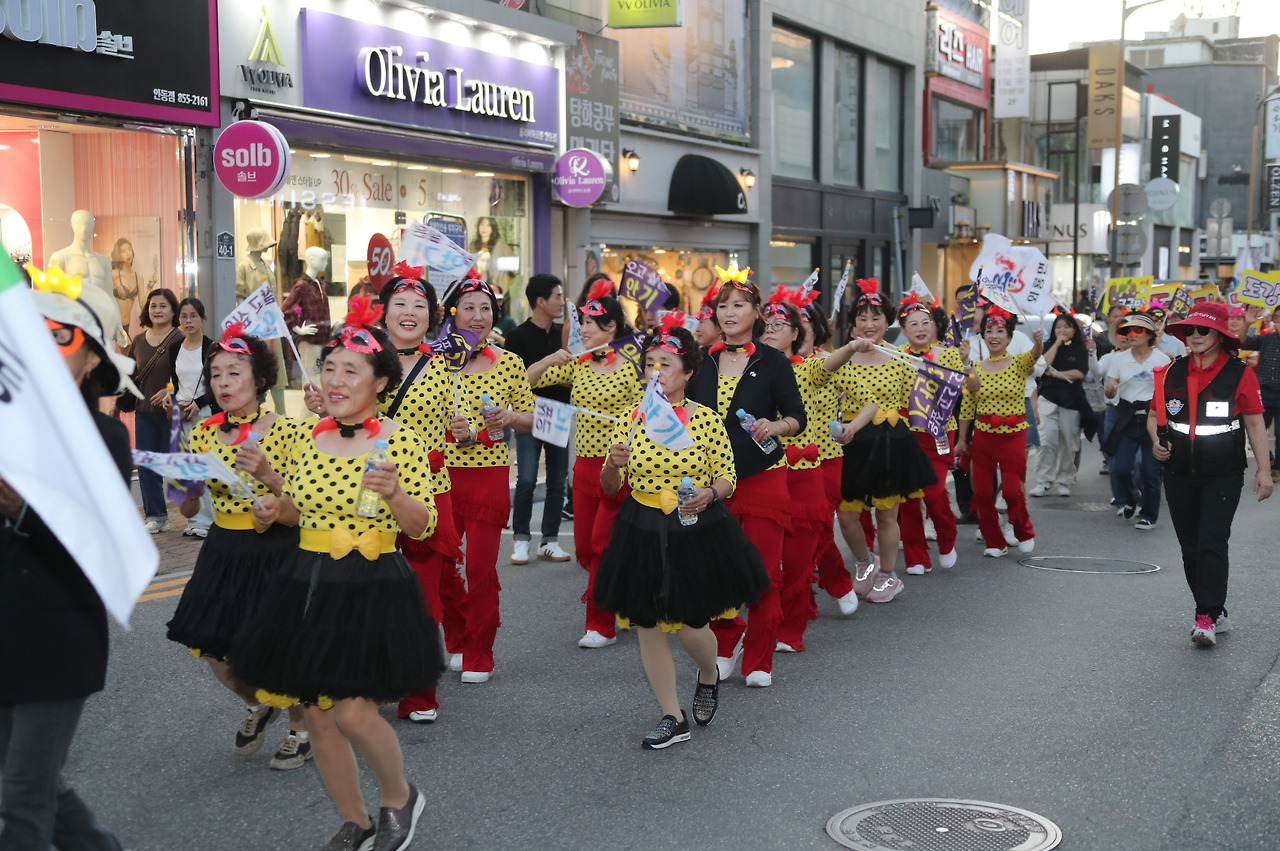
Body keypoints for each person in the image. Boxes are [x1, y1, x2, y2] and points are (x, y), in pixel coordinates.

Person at [230, 299, 441, 851]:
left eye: (352, 369)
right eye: (329, 367)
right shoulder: (309, 436)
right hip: (307, 581)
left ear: (379, 382)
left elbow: (422, 525)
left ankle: (399, 796)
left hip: (371, 583)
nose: (336, 379)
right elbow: (297, 508)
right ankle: (355, 820)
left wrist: (395, 494)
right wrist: (273, 509)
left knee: (351, 710)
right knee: (318, 714)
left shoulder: (400, 439)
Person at [1, 273, 141, 851]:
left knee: (21, 797)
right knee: (31, 786)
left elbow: (104, 541)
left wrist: (23, 511)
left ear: (90, 362)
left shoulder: (103, 436)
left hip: (57, 637)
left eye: (59, 338)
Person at [593, 325, 769, 748]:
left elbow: (727, 477)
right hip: (642, 525)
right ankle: (672, 716)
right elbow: (610, 486)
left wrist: (710, 494)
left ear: (688, 372)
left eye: (666, 364)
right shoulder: (632, 417)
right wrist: (613, 464)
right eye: (650, 363)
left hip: (694, 526)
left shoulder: (705, 419)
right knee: (648, 623)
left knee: (692, 626)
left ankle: (708, 672)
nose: (656, 371)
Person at [165, 326, 313, 769]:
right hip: (223, 547)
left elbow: (305, 507)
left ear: (260, 379)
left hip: (277, 548)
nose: (223, 382)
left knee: (280, 647)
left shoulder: (290, 432)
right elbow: (189, 508)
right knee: (210, 643)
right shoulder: (203, 434)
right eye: (216, 374)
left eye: (234, 372)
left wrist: (267, 476)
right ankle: (257, 705)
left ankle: (301, 730)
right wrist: (187, 493)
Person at [685, 263, 806, 688]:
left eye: (739, 305)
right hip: (712, 482)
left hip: (761, 477)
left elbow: (798, 417)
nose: (730, 312)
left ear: (757, 312)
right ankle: (726, 642)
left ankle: (759, 657)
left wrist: (777, 426)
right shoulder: (700, 361)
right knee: (715, 570)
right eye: (723, 306)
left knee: (762, 570)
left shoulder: (774, 362)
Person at [527, 281, 643, 649]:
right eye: (582, 322)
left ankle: (600, 625)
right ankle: (622, 594)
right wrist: (550, 359)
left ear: (611, 326)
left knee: (601, 546)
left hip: (617, 470)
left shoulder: (632, 367)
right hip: (583, 469)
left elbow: (649, 413)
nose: (583, 328)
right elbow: (523, 382)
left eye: (590, 323)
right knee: (584, 550)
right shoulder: (578, 363)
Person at [1150, 301, 1273, 647]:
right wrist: (1156, 443)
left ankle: (1205, 615)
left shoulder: (1239, 373)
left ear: (1219, 335)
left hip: (1223, 474)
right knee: (1190, 548)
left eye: (1203, 330)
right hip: (1178, 473)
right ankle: (1213, 610)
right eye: (1190, 329)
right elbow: (1154, 416)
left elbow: (1255, 423)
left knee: (1211, 543)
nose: (1195, 335)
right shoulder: (1170, 371)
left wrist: (1264, 471)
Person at [377, 266, 467, 724]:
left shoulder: (447, 363)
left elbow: (463, 425)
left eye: (419, 305)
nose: (409, 312)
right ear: (384, 313)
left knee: (423, 594)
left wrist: (465, 431)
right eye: (400, 304)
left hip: (431, 489)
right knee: (371, 590)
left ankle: (420, 693)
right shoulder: (365, 359)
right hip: (372, 488)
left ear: (432, 317)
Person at [819, 279, 937, 599]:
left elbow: (921, 401)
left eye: (876, 318)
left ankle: (888, 574)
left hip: (890, 442)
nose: (869, 325)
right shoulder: (841, 356)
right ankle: (864, 561)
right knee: (846, 515)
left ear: (888, 322)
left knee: (886, 515)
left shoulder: (901, 357)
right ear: (853, 323)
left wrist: (932, 377)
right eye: (863, 318)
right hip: (850, 442)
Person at [444, 273, 535, 683]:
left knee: (480, 569)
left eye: (486, 308)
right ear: (453, 314)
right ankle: (458, 636)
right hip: (439, 476)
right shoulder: (434, 361)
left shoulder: (510, 362)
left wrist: (510, 417)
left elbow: (531, 419)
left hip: (488, 475)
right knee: (443, 566)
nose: (478, 316)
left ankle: (479, 649)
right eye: (469, 308)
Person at [759, 289, 858, 655]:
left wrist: (851, 347)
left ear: (796, 333)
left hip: (806, 470)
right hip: (762, 475)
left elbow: (830, 366)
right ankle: (760, 629)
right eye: (766, 324)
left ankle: (791, 629)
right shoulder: (747, 371)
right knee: (766, 559)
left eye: (780, 324)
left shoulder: (808, 368)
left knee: (802, 555)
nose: (771, 329)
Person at [956, 305, 1044, 557]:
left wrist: (1039, 342)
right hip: (983, 437)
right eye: (989, 331)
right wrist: (962, 439)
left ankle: (1023, 530)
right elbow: (968, 404)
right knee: (983, 494)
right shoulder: (976, 367)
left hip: (1013, 435)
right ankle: (995, 541)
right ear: (983, 335)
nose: (994, 336)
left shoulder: (1018, 363)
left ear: (1009, 336)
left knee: (1012, 491)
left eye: (1000, 331)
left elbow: (1035, 356)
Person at [502, 274, 571, 565]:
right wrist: (547, 363)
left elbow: (574, 375)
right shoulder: (517, 337)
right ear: (540, 301)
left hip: (559, 412)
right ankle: (521, 540)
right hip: (529, 413)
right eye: (557, 296)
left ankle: (550, 541)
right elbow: (515, 381)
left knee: (557, 479)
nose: (562, 302)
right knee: (527, 479)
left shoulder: (565, 333)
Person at [894, 291, 962, 574]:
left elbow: (966, 389)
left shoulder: (949, 354)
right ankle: (916, 557)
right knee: (909, 499)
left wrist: (968, 366)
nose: (920, 328)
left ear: (934, 326)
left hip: (939, 433)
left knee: (933, 494)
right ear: (903, 330)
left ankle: (947, 537)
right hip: (906, 435)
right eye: (913, 324)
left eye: (925, 322)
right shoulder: (896, 357)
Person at [1102, 312, 1169, 530]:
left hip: (1153, 418)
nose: (1131, 334)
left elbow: (1169, 391)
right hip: (1126, 417)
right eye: (1126, 331)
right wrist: (1110, 389)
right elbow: (1110, 391)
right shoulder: (1119, 359)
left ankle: (1149, 515)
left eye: (1137, 330)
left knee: (1150, 469)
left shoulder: (1162, 360)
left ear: (1149, 334)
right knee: (1120, 468)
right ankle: (1131, 497)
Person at [129, 287, 182, 533]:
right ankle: (156, 515)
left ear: (173, 311)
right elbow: (131, 375)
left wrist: (171, 391)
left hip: (174, 412)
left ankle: (196, 516)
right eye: (153, 306)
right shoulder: (139, 341)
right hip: (144, 412)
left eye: (163, 306)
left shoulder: (181, 339)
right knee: (147, 465)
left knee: (178, 464)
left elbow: (190, 376)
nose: (157, 310)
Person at [167, 297, 217, 538]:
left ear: (202, 318)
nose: (188, 321)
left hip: (205, 414)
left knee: (206, 466)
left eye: (193, 316)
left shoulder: (212, 348)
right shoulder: (174, 349)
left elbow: (217, 384)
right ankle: (196, 521)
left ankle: (210, 522)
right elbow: (175, 383)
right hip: (183, 414)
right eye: (184, 316)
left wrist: (199, 403)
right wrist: (171, 399)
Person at [1031, 310, 1092, 498]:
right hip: (1048, 398)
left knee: (1069, 442)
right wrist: (1057, 344)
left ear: (1074, 330)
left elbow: (1079, 373)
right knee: (1046, 441)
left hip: (1071, 401)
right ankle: (1044, 480)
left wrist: (1057, 374)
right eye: (1058, 327)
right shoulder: (1048, 346)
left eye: (1067, 327)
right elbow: (1042, 367)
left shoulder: (1080, 349)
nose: (1063, 330)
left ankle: (1064, 480)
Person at [1243, 304, 1280, 478]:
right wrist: (1247, 323)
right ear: (1273, 319)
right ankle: (1268, 458)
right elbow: (1242, 342)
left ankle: (1277, 468)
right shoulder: (1266, 338)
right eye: (1277, 317)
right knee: (1254, 430)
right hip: (1263, 392)